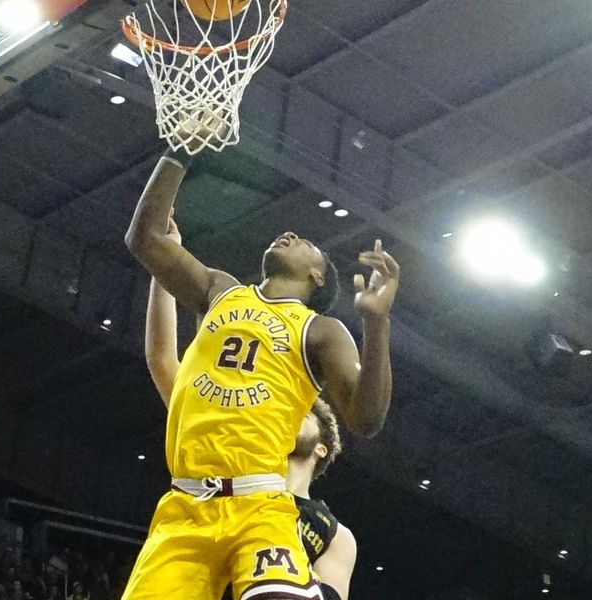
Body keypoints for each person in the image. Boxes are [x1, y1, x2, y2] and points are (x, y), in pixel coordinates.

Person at [123, 146, 398, 600]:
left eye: (305, 242)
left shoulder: (320, 330)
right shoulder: (220, 289)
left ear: (316, 276)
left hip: (259, 504)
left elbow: (367, 420)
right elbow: (145, 239)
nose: (288, 233)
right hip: (184, 508)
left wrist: (375, 323)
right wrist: (180, 152)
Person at [143, 222, 357, 600]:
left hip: (264, 519)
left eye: (303, 414)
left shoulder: (331, 531)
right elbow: (163, 362)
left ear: (321, 445)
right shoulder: (221, 416)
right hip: (196, 517)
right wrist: (165, 270)